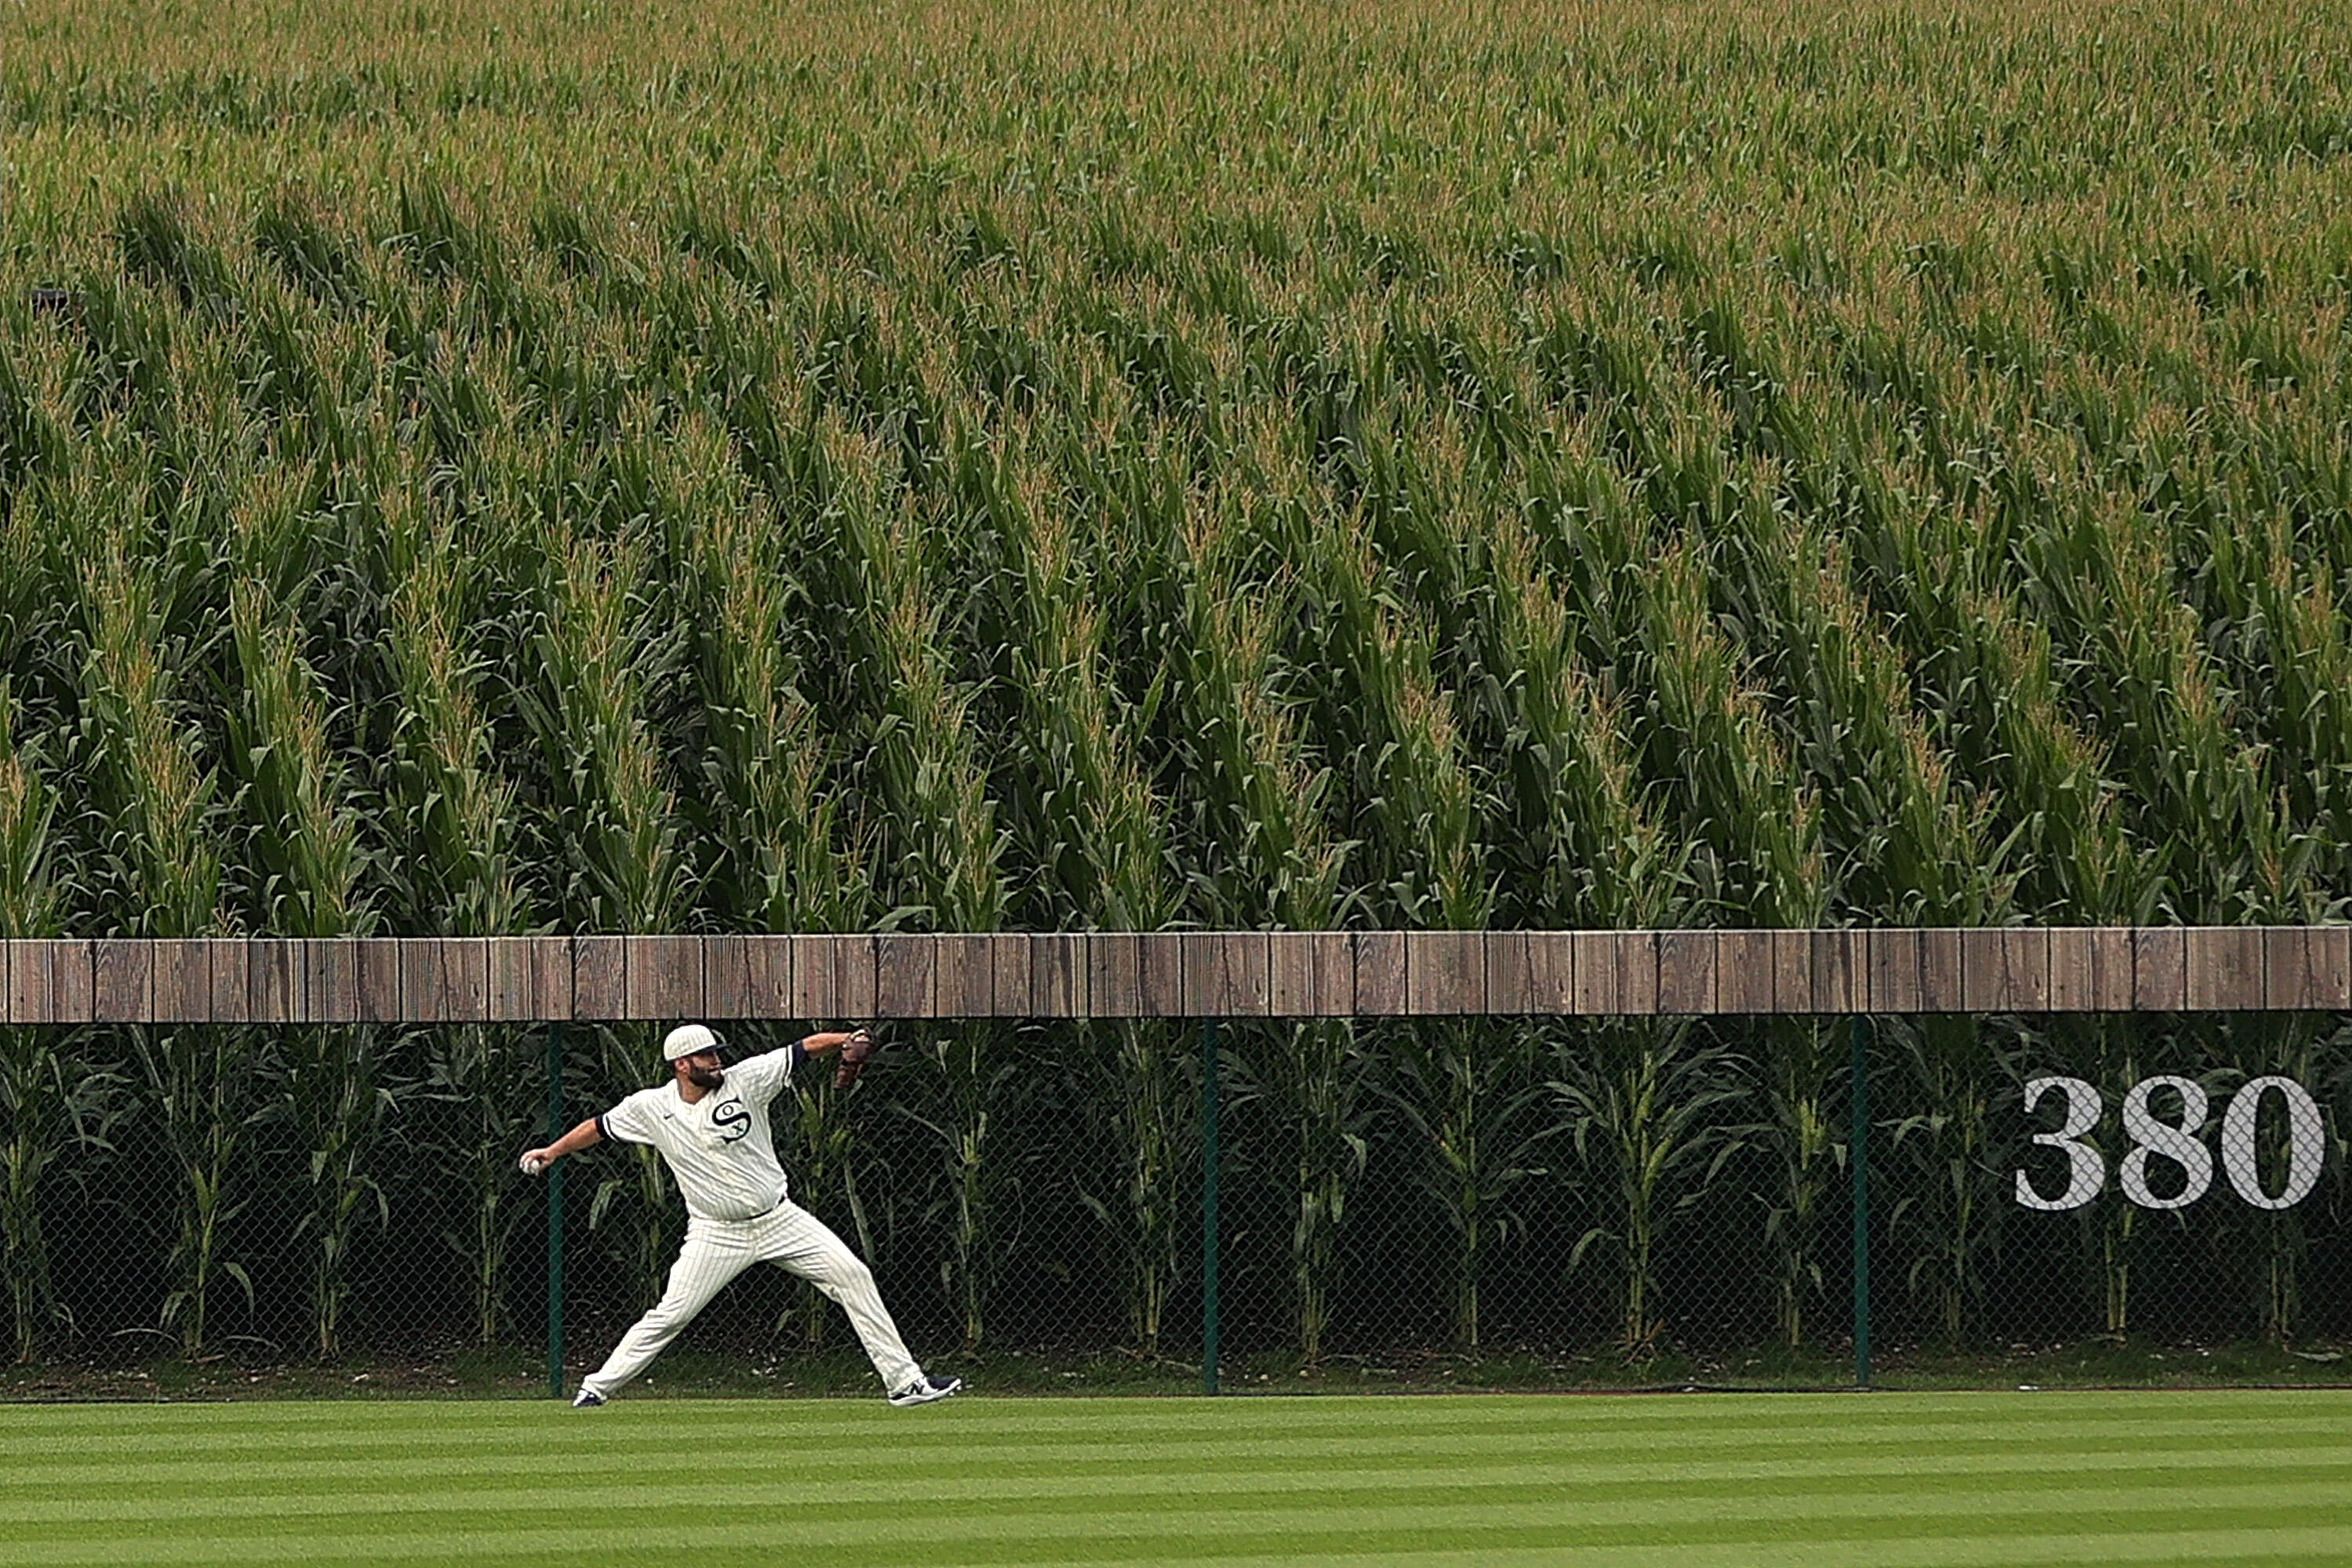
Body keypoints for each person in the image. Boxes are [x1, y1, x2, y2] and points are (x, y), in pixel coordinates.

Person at [519, 1022, 962, 1409]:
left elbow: (804, 1049)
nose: (716, 1061)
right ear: (680, 1064)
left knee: (853, 1276)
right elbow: (599, 1127)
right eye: (705, 1056)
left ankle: (906, 1383)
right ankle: (596, 1388)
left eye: (715, 1053)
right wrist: (553, 1151)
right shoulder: (650, 1107)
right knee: (671, 1314)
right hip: (716, 1233)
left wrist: (847, 1040)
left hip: (780, 1219)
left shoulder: (746, 1079)